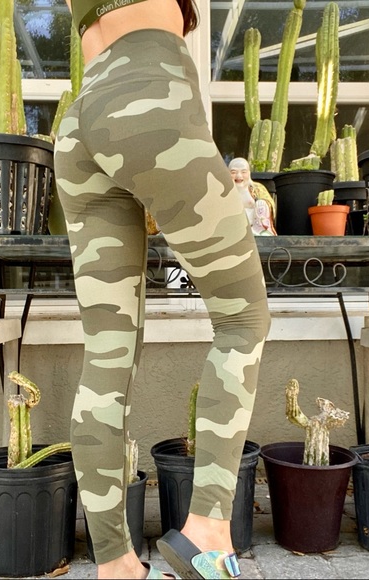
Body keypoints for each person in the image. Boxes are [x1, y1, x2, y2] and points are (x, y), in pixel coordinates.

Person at [53, 1, 271, 578]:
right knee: (243, 319)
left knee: (106, 354)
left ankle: (115, 566)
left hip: (79, 123)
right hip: (153, 101)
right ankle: (209, 532)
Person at [228, 157, 277, 236]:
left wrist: (262, 203)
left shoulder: (257, 188)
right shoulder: (224, 190)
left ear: (249, 173)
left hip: (255, 226)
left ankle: (258, 231)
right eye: (233, 172)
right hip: (233, 226)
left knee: (262, 203)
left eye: (243, 172)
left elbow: (270, 204)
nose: (239, 175)